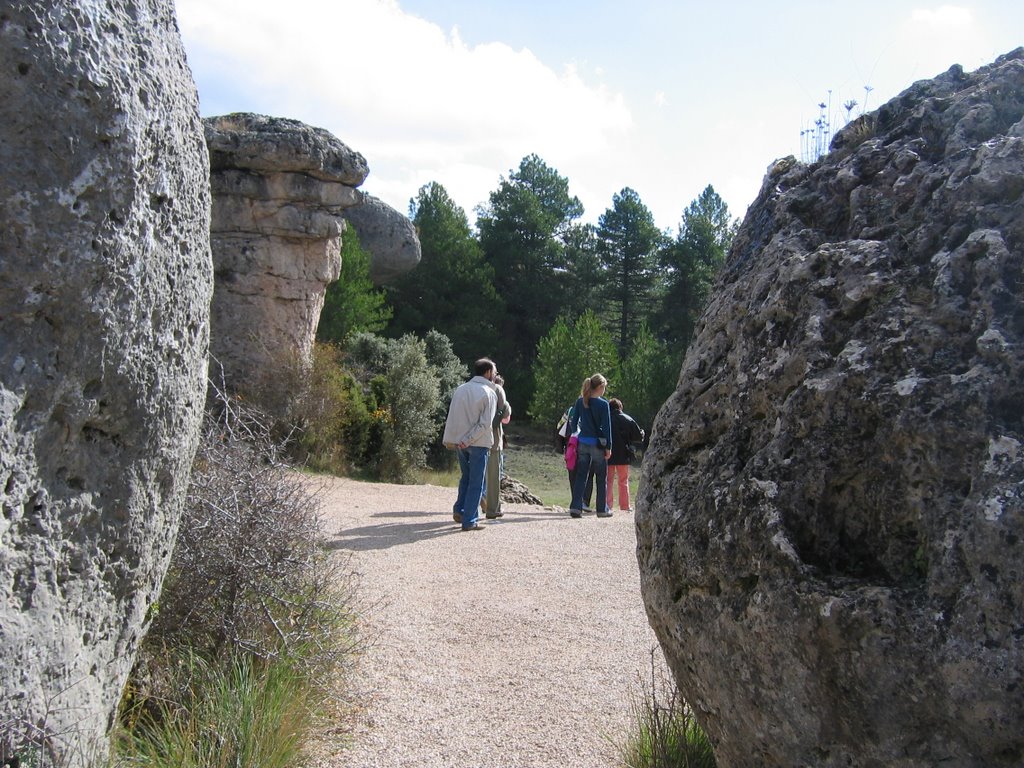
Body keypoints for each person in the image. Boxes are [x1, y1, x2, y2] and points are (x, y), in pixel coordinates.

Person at [441, 358, 498, 531]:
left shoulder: (461, 389)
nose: (495, 375)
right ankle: (470, 520)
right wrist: (469, 440)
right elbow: (485, 424)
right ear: (488, 372)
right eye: (494, 372)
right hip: (478, 443)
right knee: (476, 482)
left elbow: (453, 416)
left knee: (465, 477)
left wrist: (457, 440)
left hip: (459, 442)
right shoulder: (489, 393)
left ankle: (460, 509)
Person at [567, 374, 612, 519]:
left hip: (583, 443)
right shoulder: (603, 404)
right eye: (604, 387)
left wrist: (576, 434)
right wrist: (608, 446)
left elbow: (574, 423)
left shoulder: (581, 401)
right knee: (601, 477)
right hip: (597, 445)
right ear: (600, 387)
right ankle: (602, 509)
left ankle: (575, 507)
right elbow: (606, 428)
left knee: (581, 476)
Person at [606, 398, 645, 514]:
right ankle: (625, 505)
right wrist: (642, 433)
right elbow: (638, 437)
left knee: (608, 481)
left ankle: (607, 505)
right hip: (624, 454)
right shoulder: (628, 419)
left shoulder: (606, 419)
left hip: (609, 454)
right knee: (623, 481)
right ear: (620, 407)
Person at [483, 374, 511, 519]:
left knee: (475, 475)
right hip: (493, 440)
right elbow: (506, 414)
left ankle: (468, 508)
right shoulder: (498, 389)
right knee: (494, 477)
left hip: (473, 440)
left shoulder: (474, 388)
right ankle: (493, 509)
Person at [560, 402, 596, 509]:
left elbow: (559, 426)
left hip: (571, 445)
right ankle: (585, 502)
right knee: (588, 474)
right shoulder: (592, 411)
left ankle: (576, 501)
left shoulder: (570, 411)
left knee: (573, 474)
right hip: (588, 445)